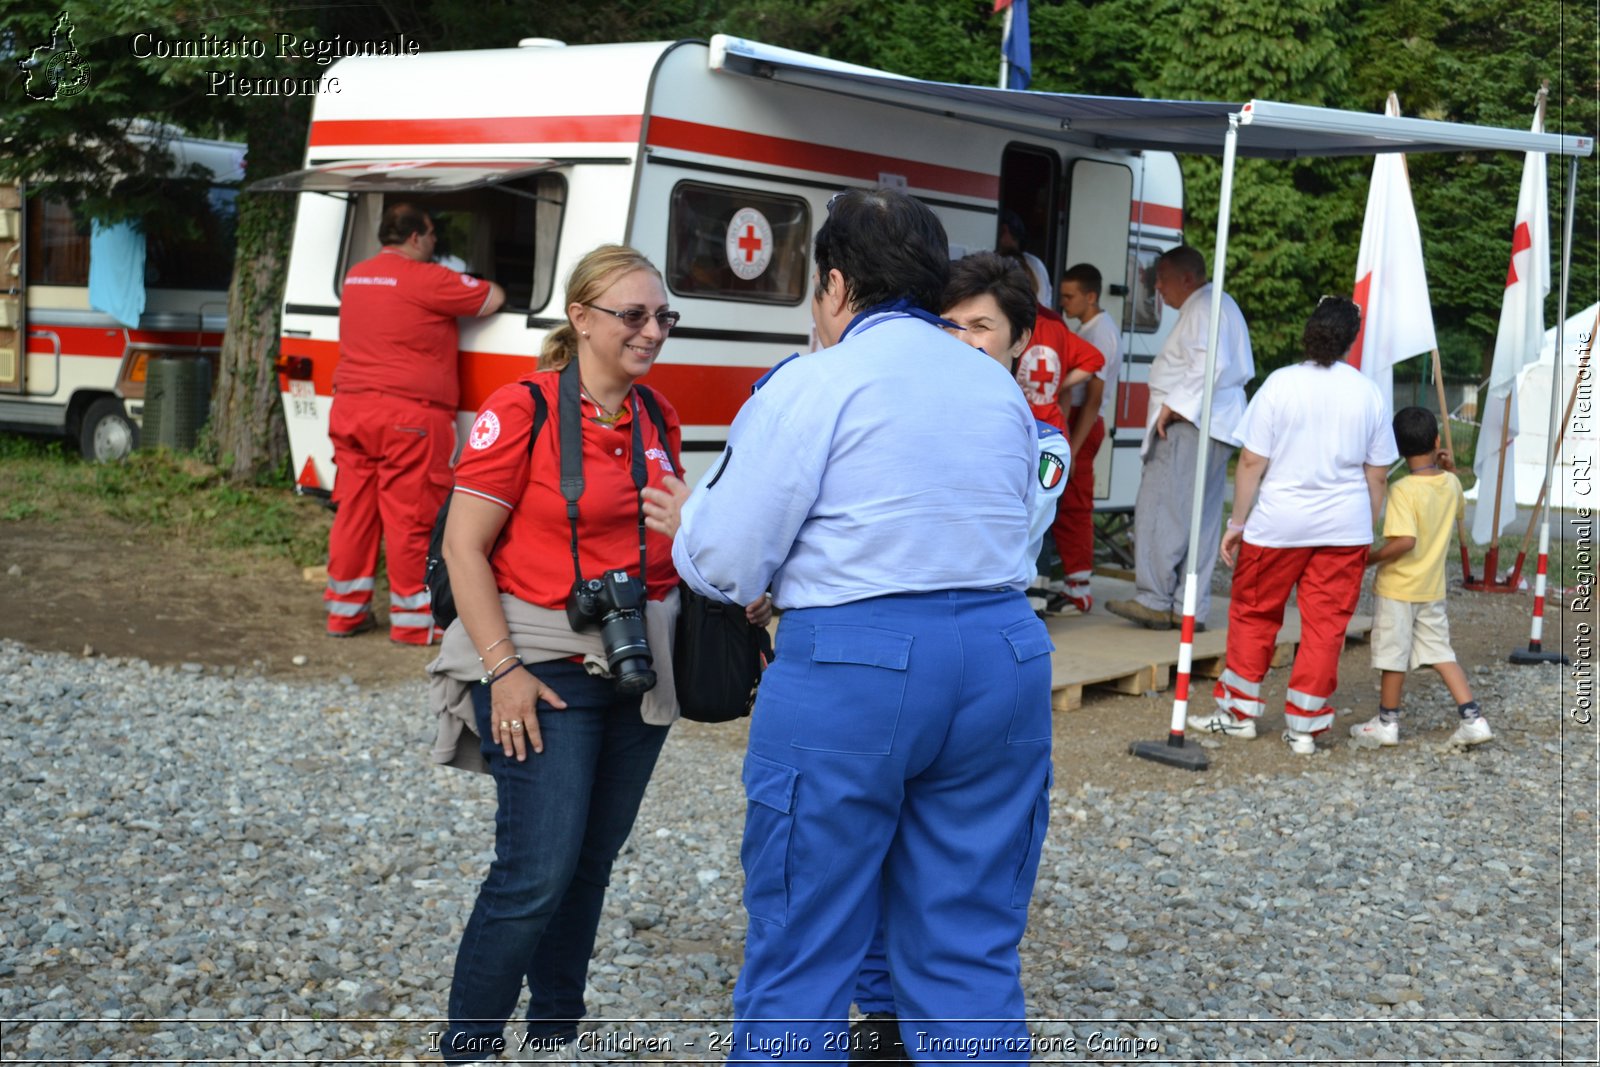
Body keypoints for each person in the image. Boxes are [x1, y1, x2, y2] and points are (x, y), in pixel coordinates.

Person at [645, 190, 1054, 1063]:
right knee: (969, 942)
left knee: (806, 945)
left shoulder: (816, 381)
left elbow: (725, 559)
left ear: (835, 285)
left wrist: (693, 529)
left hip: (858, 664)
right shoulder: (995, 385)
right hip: (1003, 652)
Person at [426, 244, 768, 1062]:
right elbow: (463, 548)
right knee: (535, 870)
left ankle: (554, 1035)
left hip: (640, 660)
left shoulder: (657, 415)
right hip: (539, 658)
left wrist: (705, 543)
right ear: (580, 318)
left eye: (664, 317)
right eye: (634, 315)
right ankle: (469, 1045)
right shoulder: (525, 408)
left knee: (588, 866)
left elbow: (672, 539)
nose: (653, 332)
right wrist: (501, 669)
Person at [849, 251, 1070, 1058]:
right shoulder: (891, 410)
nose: (962, 340)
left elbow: (1015, 532)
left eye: (981, 326)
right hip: (885, 644)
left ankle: (945, 1020)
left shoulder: (1043, 438)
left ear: (1019, 342)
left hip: (985, 640)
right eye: (947, 324)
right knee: (869, 847)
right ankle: (879, 1016)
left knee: (959, 859)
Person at [1188, 296, 1395, 754]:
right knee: (1325, 626)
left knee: (1254, 614)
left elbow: (1250, 461)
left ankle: (1238, 713)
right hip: (1345, 529)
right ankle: (1305, 726)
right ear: (1350, 339)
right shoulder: (1369, 392)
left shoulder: (1280, 384)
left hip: (1278, 525)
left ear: (1310, 330)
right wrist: (1365, 522)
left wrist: (1237, 521)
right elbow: (1376, 473)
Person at [325, 202, 506, 643]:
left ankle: (345, 613)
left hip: (351, 409)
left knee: (354, 513)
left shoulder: (356, 276)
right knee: (412, 518)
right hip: (409, 417)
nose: (435, 242)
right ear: (414, 238)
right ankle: (413, 622)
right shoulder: (428, 279)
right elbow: (493, 297)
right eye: (431, 235)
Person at [1107, 245, 1253, 631]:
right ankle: (1189, 606)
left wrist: (1175, 406)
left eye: (1163, 278)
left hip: (1191, 422)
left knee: (1161, 508)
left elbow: (1211, 362)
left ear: (1187, 278)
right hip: (1215, 422)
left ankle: (1154, 598)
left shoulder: (1205, 306)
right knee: (1200, 518)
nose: (1157, 286)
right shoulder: (1219, 304)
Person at [1350, 407, 1491, 747]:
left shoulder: (1402, 490)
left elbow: (1404, 541)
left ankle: (1387, 723)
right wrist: (1450, 469)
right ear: (1437, 441)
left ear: (1397, 448)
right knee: (1442, 653)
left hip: (1398, 588)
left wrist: (1368, 560)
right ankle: (1473, 719)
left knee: (1393, 656)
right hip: (1432, 588)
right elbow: (1457, 509)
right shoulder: (1452, 483)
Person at [1054, 262, 1123, 614]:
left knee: (1076, 504)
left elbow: (1094, 397)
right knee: (1066, 502)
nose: (1064, 303)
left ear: (1090, 296)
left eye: (1070, 296)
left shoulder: (1101, 333)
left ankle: (1079, 588)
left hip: (1084, 423)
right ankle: (1070, 580)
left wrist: (1074, 447)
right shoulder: (1089, 328)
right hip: (1077, 421)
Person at [996, 208, 1052, 305]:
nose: (1001, 238)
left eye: (1003, 231)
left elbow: (1042, 301)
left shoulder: (1033, 264)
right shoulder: (992, 260)